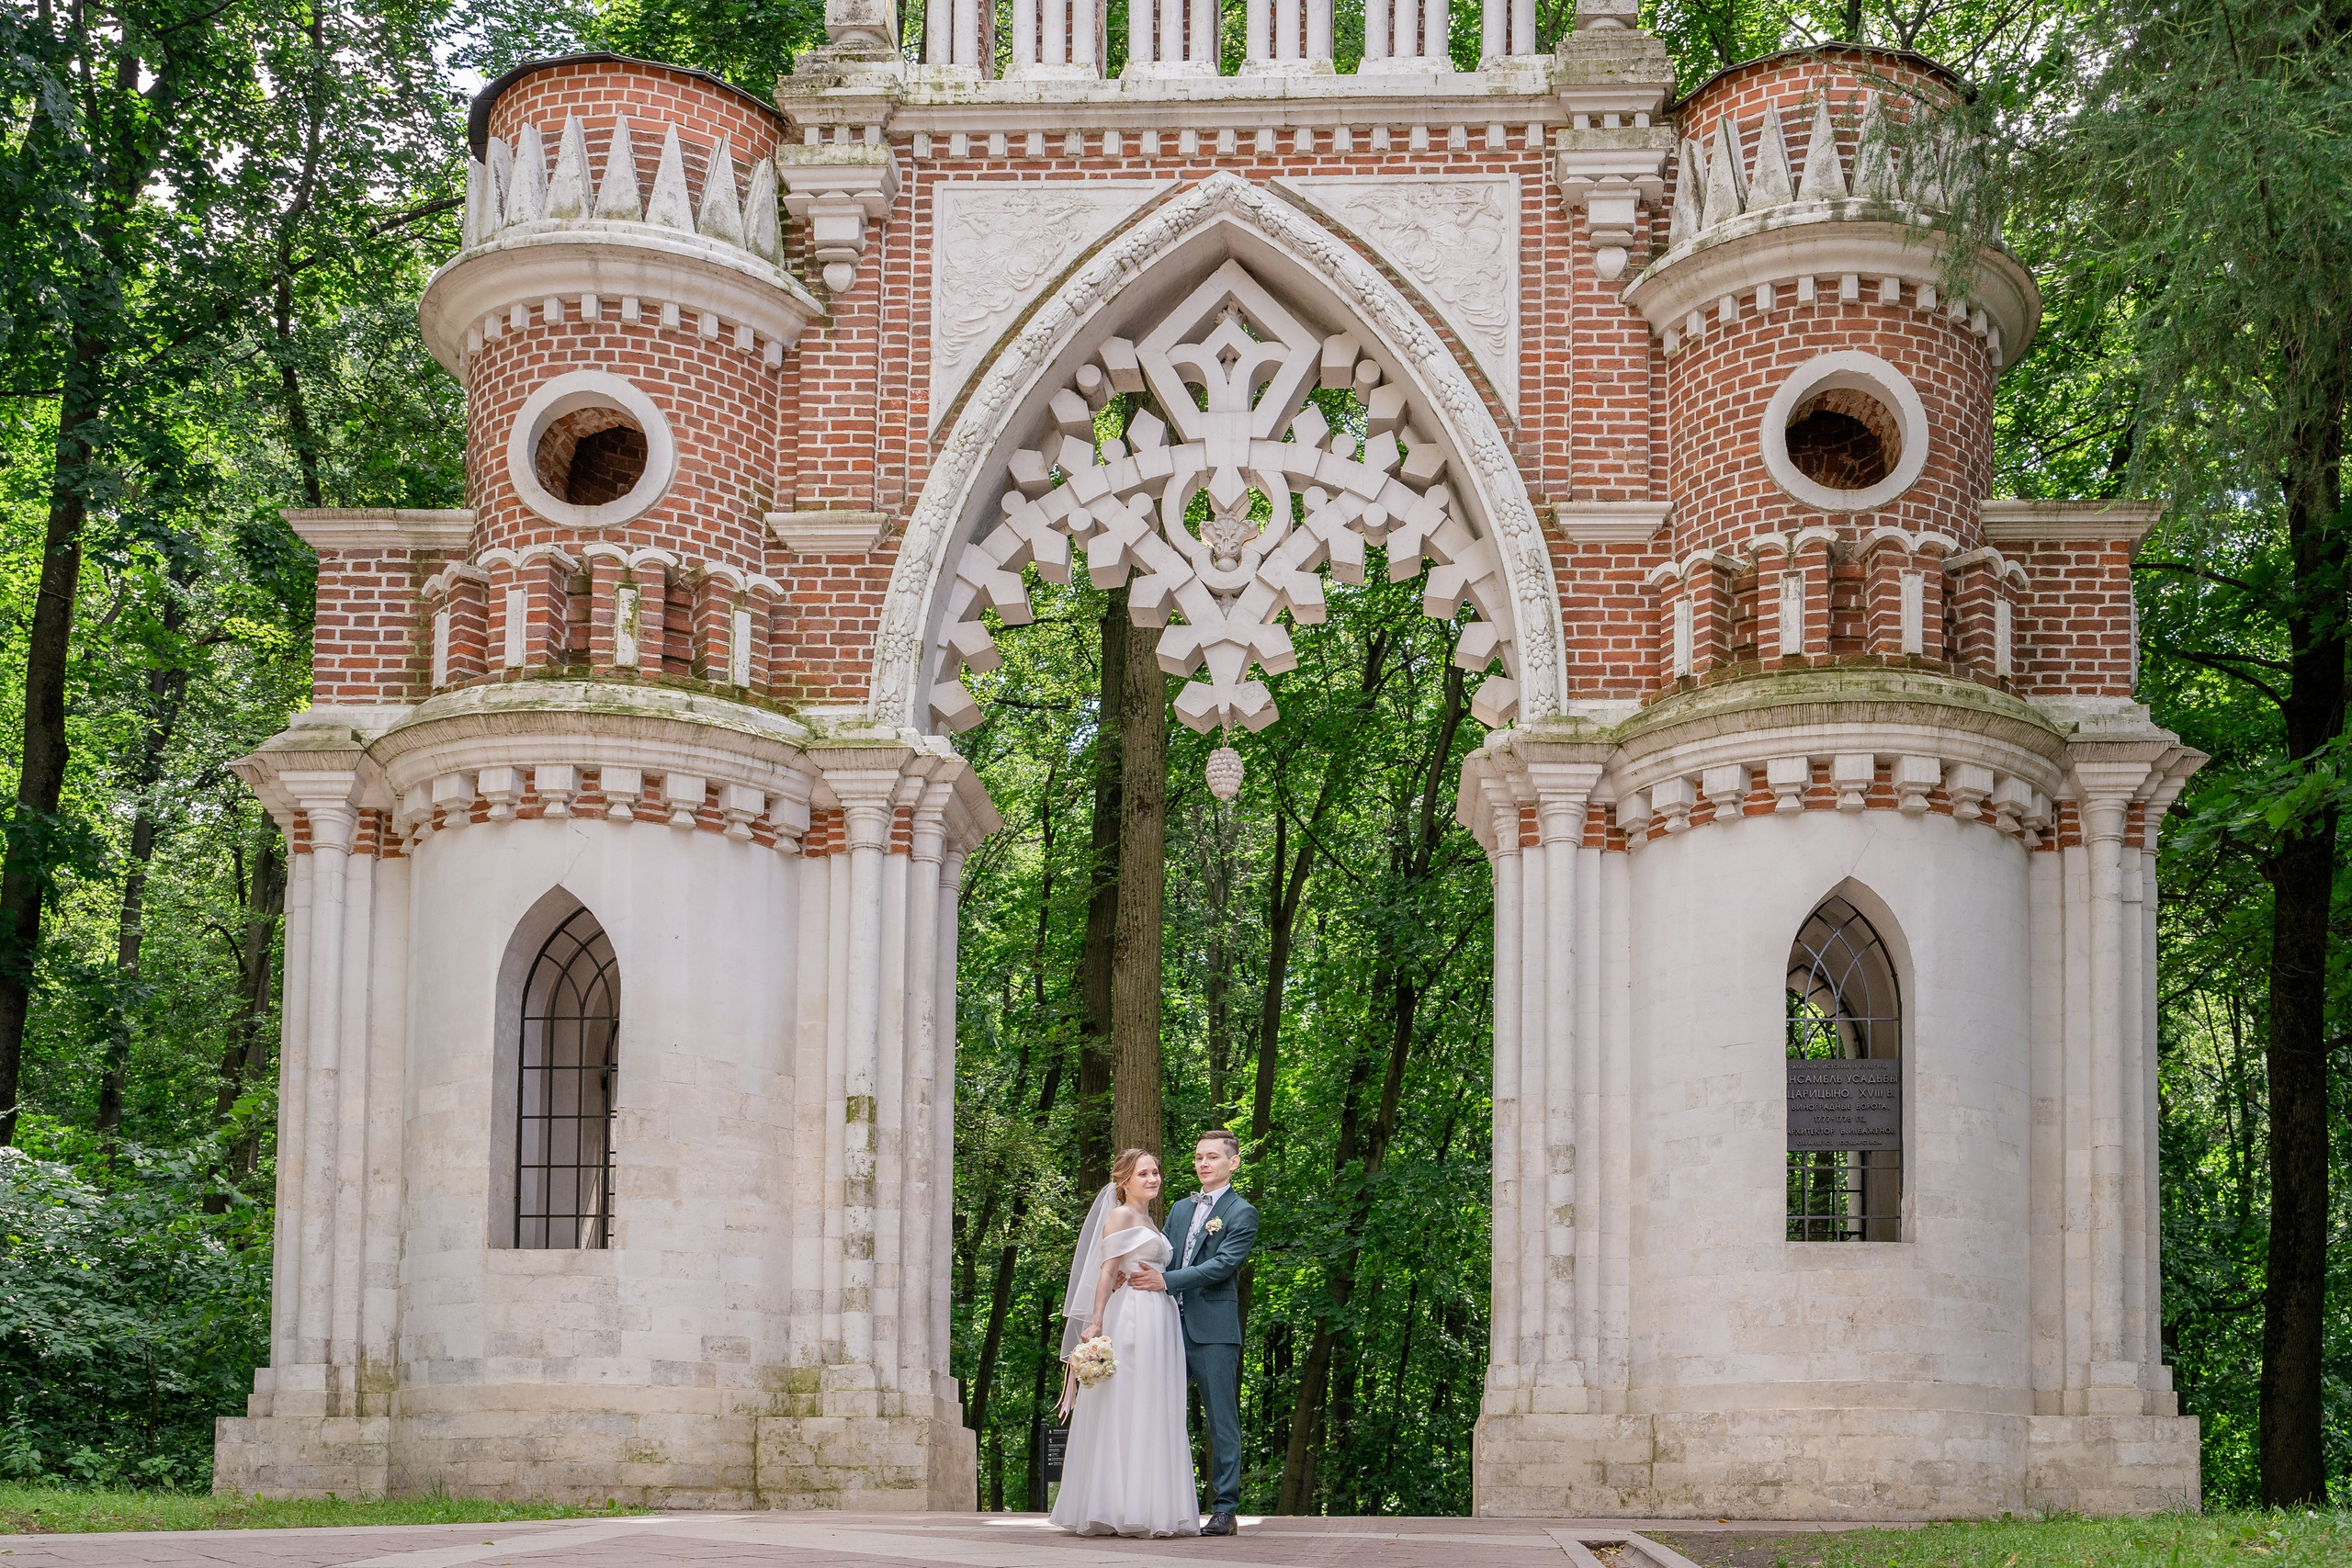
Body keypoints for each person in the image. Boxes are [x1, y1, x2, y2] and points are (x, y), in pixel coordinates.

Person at [1048, 1149, 1200, 1538]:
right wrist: (1096, 1321)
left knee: (1154, 1403)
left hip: (1160, 1318)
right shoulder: (1120, 1215)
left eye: (1156, 1172)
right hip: (1132, 1316)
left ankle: (1149, 1506)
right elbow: (1106, 1272)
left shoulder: (1150, 1219)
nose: (1153, 1179)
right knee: (1127, 1402)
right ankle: (1115, 1506)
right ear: (1124, 1181)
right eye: (1144, 1173)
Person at [1128, 1129, 1259, 1538]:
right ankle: (1153, 1503)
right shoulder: (1182, 1209)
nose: (1204, 1164)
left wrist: (1166, 1282)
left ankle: (1224, 1508)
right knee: (1158, 1412)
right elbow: (1160, 1254)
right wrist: (1127, 1275)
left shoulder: (1242, 1213)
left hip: (1213, 1331)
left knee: (1221, 1420)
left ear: (1233, 1163)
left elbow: (1223, 1266)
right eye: (1199, 1157)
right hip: (1163, 1324)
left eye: (1213, 1158)